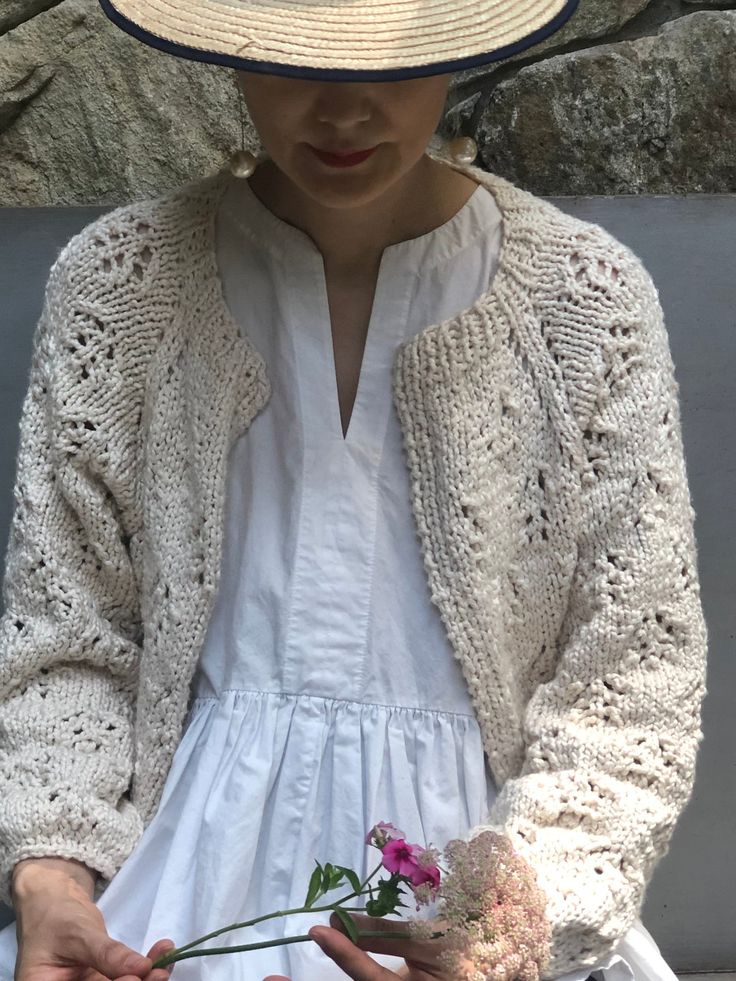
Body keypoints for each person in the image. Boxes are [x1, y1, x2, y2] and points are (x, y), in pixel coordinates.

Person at [0, 0, 709, 980]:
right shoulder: (120, 287)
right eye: (298, 63)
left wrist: (507, 930)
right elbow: (67, 643)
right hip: (168, 909)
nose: (343, 113)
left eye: (391, 60)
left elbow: (629, 682)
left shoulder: (585, 303)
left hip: (487, 905)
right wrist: (52, 881)